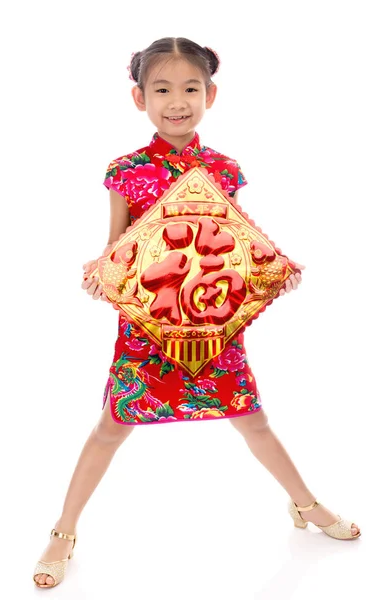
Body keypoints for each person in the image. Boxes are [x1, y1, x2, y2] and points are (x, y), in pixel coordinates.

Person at [33, 36, 361, 589]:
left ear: (211, 94)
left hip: (211, 322)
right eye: (162, 89)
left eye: (190, 88)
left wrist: (276, 270)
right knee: (112, 427)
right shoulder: (126, 170)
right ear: (140, 98)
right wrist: (101, 271)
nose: (177, 100)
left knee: (252, 419)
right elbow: (118, 245)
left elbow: (236, 240)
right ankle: (63, 532)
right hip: (151, 325)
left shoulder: (224, 170)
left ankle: (305, 505)